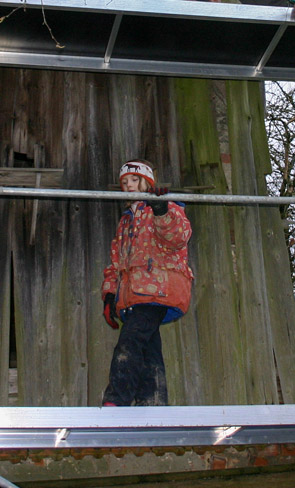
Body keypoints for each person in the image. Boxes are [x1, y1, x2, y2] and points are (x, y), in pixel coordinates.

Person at [100, 159, 194, 406]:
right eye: (124, 182)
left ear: (147, 182)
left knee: (128, 345)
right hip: (133, 295)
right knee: (149, 351)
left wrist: (161, 210)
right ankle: (153, 403)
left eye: (134, 180)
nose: (129, 186)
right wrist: (110, 295)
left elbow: (177, 237)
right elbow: (116, 262)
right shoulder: (126, 222)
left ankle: (116, 400)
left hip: (157, 291)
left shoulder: (164, 208)